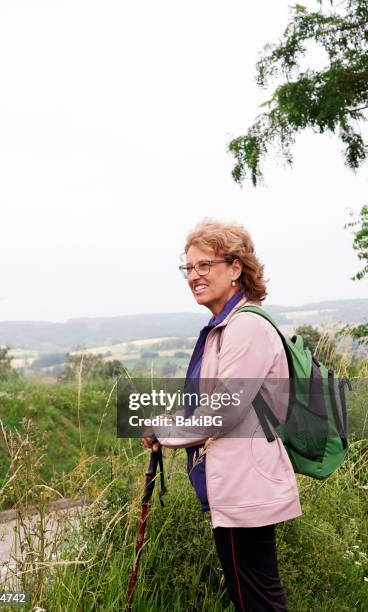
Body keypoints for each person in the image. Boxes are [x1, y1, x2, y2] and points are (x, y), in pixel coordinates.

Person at [142, 218, 302, 612]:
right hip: (238, 481)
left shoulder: (244, 327)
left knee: (257, 600)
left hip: (245, 484)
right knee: (253, 596)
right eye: (189, 268)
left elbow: (223, 411)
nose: (194, 276)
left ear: (235, 268)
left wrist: (166, 431)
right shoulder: (223, 327)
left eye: (205, 265)